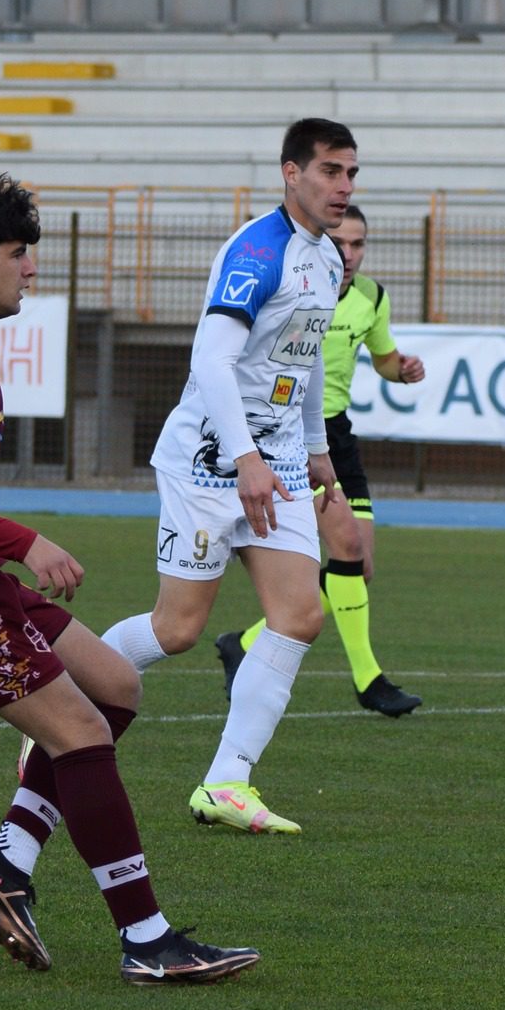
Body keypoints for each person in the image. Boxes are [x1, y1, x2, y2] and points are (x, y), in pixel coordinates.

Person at [0, 170, 254, 984]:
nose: (30, 268)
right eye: (17, 254)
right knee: (77, 732)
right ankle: (146, 941)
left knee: (114, 688)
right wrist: (22, 540)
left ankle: (6, 865)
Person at [98, 118, 350, 836]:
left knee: (300, 614)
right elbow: (211, 361)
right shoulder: (256, 250)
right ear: (290, 173)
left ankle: (226, 782)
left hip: (278, 470)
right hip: (210, 467)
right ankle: (60, 704)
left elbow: (298, 367)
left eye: (351, 173)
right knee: (178, 629)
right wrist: (245, 459)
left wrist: (316, 451)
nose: (343, 186)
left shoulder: (328, 261)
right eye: (330, 171)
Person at [218, 203, 427, 717]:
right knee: (348, 549)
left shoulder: (372, 297)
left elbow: (381, 357)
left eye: (359, 244)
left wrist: (399, 369)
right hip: (289, 432)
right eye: (341, 241)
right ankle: (368, 679)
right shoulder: (297, 284)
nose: (349, 253)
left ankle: (241, 644)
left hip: (337, 434)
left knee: (358, 567)